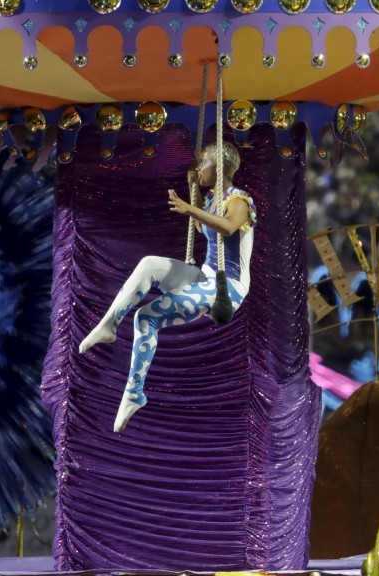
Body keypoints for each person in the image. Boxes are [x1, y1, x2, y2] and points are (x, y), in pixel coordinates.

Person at [78, 142, 255, 432]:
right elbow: (204, 229)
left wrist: (189, 208)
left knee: (147, 316)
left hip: (229, 287)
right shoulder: (213, 199)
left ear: (221, 166)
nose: (198, 168)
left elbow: (227, 227)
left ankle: (133, 392)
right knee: (148, 266)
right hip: (205, 275)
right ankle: (110, 328)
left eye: (204, 162)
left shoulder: (239, 200)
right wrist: (194, 196)